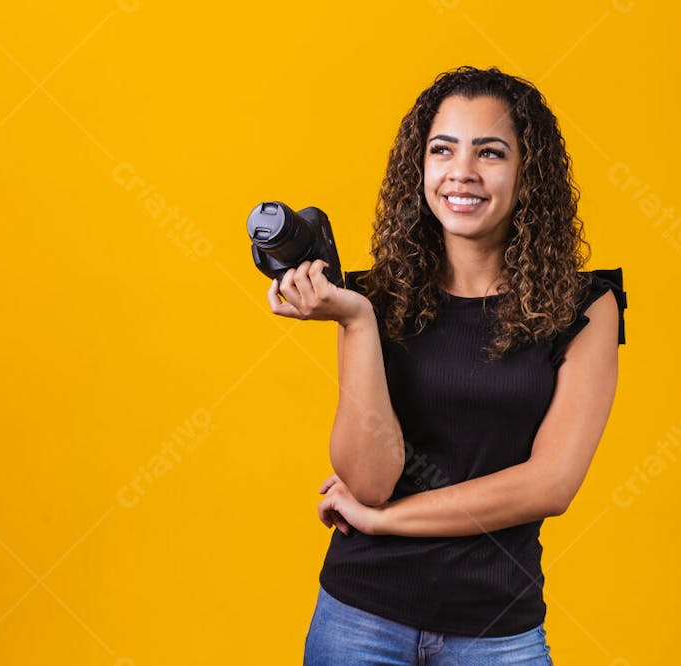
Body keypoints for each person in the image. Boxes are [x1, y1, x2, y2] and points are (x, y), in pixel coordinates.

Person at [267, 65, 627, 665]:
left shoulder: (585, 307)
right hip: (359, 622)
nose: (462, 172)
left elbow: (549, 485)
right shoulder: (371, 300)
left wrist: (388, 522)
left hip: (497, 634)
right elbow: (369, 483)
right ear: (421, 169)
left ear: (527, 174)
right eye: (442, 150)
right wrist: (357, 323)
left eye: (490, 152)